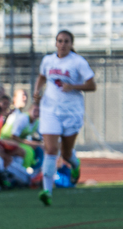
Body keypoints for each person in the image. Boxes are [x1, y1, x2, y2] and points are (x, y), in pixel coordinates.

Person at [33, 29, 96, 206]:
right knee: (51, 149)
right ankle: (47, 191)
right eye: (60, 41)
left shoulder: (78, 62)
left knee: (66, 153)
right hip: (50, 110)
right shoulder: (48, 60)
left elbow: (92, 85)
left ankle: (75, 166)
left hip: (71, 112)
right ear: (55, 43)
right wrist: (36, 94)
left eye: (66, 41)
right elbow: (42, 77)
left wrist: (74, 86)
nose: (62, 44)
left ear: (71, 44)